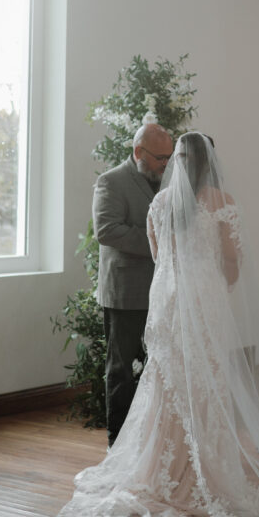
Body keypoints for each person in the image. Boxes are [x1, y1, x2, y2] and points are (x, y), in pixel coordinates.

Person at [24, 133, 259, 517]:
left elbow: (159, 257)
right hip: (206, 297)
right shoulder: (221, 200)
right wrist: (217, 287)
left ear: (177, 161)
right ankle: (206, 471)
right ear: (210, 162)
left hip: (169, 298)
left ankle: (161, 469)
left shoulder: (161, 203)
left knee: (165, 379)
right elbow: (233, 262)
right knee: (207, 379)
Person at [92, 122, 173, 445]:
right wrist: (161, 242)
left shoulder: (166, 179)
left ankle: (147, 442)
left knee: (156, 367)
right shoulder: (111, 181)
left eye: (169, 157)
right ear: (138, 151)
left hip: (161, 290)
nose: (166, 164)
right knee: (122, 371)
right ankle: (118, 442)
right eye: (159, 157)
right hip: (125, 293)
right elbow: (107, 231)